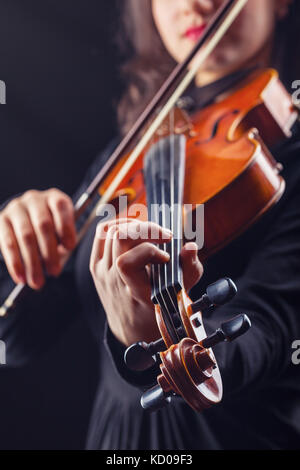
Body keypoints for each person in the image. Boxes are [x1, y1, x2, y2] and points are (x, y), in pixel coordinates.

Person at [0, 0, 300, 450]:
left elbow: (267, 328)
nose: (196, 4)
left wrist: (160, 344)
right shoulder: (133, 153)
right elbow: (19, 336)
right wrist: (18, 244)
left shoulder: (287, 161)